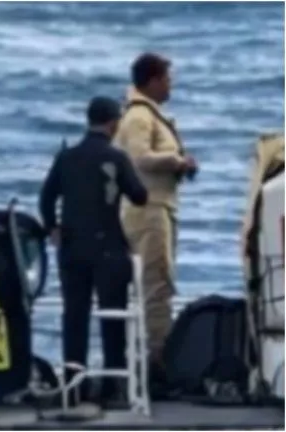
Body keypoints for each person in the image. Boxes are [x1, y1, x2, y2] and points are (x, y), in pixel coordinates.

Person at [39, 96, 148, 406]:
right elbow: (139, 196)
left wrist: (52, 228)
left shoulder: (66, 157)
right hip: (109, 248)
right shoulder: (116, 157)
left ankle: (74, 387)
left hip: (72, 248)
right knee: (113, 317)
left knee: (75, 316)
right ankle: (115, 387)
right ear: (113, 123)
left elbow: (46, 198)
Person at [114, 53, 198, 391]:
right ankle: (157, 362)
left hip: (159, 207)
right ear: (151, 81)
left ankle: (156, 356)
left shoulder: (148, 115)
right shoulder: (138, 117)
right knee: (156, 284)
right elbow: (139, 158)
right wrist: (177, 161)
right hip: (148, 209)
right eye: (166, 79)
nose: (170, 85)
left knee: (159, 282)